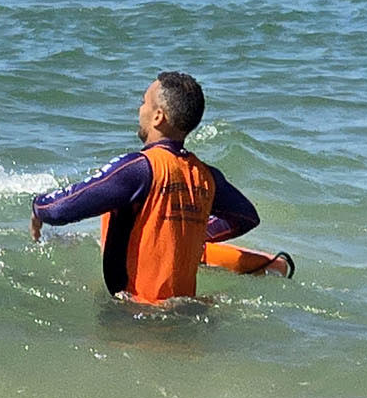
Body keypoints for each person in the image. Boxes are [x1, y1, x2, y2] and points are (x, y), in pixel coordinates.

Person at [30, 71, 264, 303]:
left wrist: (38, 207)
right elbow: (246, 217)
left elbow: (61, 208)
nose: (140, 109)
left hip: (134, 316)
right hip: (181, 314)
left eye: (144, 103)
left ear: (158, 117)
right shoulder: (206, 176)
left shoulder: (138, 169)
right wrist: (192, 234)